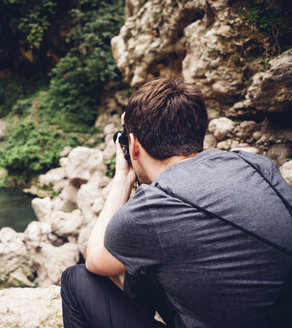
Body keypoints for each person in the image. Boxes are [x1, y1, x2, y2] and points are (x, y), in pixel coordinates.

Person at [61, 78, 292, 328]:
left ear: (134, 145)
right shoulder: (256, 165)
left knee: (75, 279)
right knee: (144, 263)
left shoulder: (154, 205)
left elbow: (95, 259)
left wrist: (123, 177)